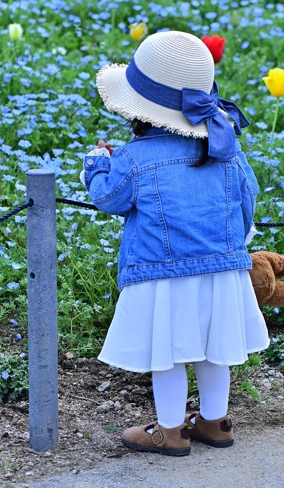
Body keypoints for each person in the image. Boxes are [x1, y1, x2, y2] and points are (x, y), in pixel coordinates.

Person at [82, 30, 269, 457]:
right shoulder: (226, 148)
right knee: (214, 348)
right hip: (222, 270)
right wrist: (233, 245)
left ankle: (170, 431)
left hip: (160, 272)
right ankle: (215, 422)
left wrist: (96, 165)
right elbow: (247, 201)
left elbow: (110, 198)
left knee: (167, 353)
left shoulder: (134, 157)